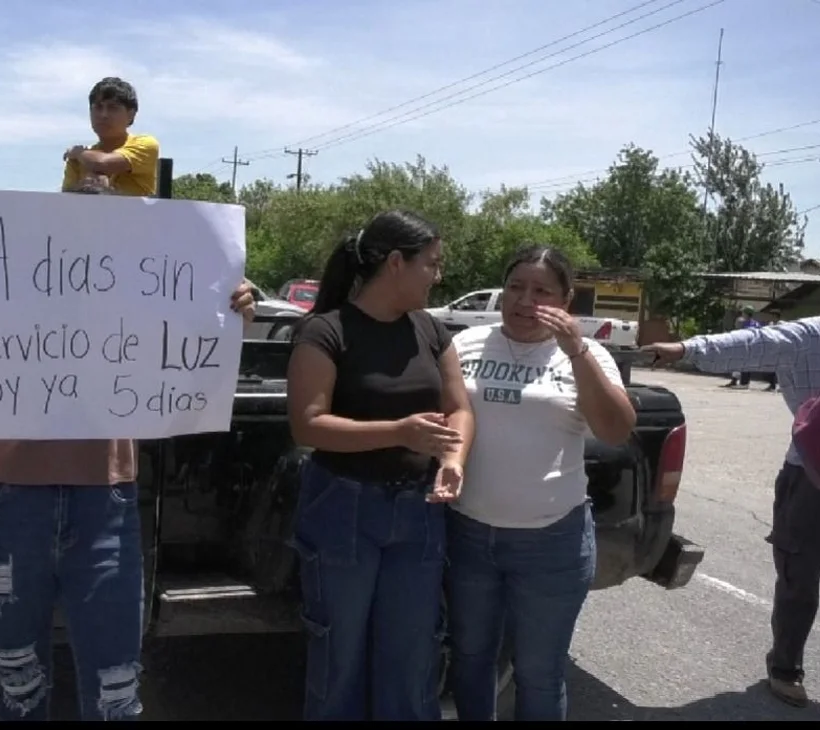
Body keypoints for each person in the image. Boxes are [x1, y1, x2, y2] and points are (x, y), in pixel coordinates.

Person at [0, 170, 256, 720]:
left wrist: (223, 314)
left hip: (105, 509)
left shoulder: (145, 289)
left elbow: (193, 379)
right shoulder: (8, 281)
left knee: (116, 695)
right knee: (20, 690)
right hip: (9, 506)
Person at [284, 210, 475, 720]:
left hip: (420, 508)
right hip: (343, 507)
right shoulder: (325, 332)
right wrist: (399, 432)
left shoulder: (431, 331)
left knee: (412, 654)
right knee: (339, 653)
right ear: (396, 262)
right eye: (431, 264)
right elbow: (308, 425)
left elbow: (459, 408)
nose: (438, 276)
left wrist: (453, 458)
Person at [443, 245, 636, 721]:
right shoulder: (466, 343)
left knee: (538, 671)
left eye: (542, 291)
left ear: (565, 300)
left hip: (552, 543)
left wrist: (576, 350)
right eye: (515, 287)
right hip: (469, 534)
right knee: (469, 660)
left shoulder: (586, 356)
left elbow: (616, 429)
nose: (525, 300)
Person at [644, 316, 820, 708]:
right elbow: (752, 342)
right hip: (811, 477)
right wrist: (685, 349)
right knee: (800, 578)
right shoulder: (809, 337)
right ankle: (785, 667)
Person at [62, 77, 159, 197]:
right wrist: (86, 189)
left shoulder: (146, 144)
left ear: (131, 114)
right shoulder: (77, 160)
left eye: (113, 108)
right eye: (98, 107)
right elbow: (65, 200)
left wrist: (79, 153)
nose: (104, 115)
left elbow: (101, 163)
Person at [724, 306, 762, 388]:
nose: (742, 314)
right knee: (738, 363)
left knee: (745, 364)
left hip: (747, 346)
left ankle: (744, 383)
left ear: (747, 314)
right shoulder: (756, 323)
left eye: (743, 313)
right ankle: (734, 381)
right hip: (751, 346)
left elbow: (741, 333)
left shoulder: (746, 323)